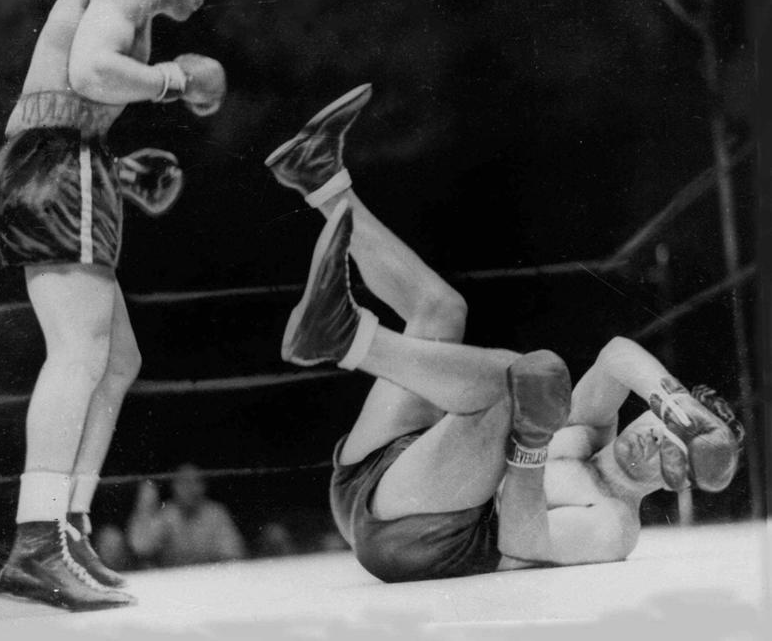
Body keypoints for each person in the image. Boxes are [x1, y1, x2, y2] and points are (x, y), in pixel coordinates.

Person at [265, 85, 745, 582]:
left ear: (678, 476)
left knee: (513, 386)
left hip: (419, 539)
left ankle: (346, 337)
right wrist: (680, 406)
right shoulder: (590, 430)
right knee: (440, 309)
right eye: (658, 423)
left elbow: (524, 540)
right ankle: (319, 176)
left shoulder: (614, 525)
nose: (651, 435)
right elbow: (619, 355)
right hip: (379, 474)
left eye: (670, 445)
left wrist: (531, 443)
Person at [0, 0, 229, 610]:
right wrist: (176, 80)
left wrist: (116, 169)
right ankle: (38, 539)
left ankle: (68, 526)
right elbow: (91, 70)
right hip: (55, 163)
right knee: (80, 350)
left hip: (67, 160)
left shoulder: (130, 3)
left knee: (117, 359)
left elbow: (67, 93)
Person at [126, 464, 248, 568]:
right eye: (184, 482)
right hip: (174, 582)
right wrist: (145, 507)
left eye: (196, 482)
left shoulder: (215, 513)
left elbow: (234, 555)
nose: (191, 488)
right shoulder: (167, 513)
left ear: (204, 486)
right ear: (174, 486)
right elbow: (141, 547)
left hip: (210, 579)